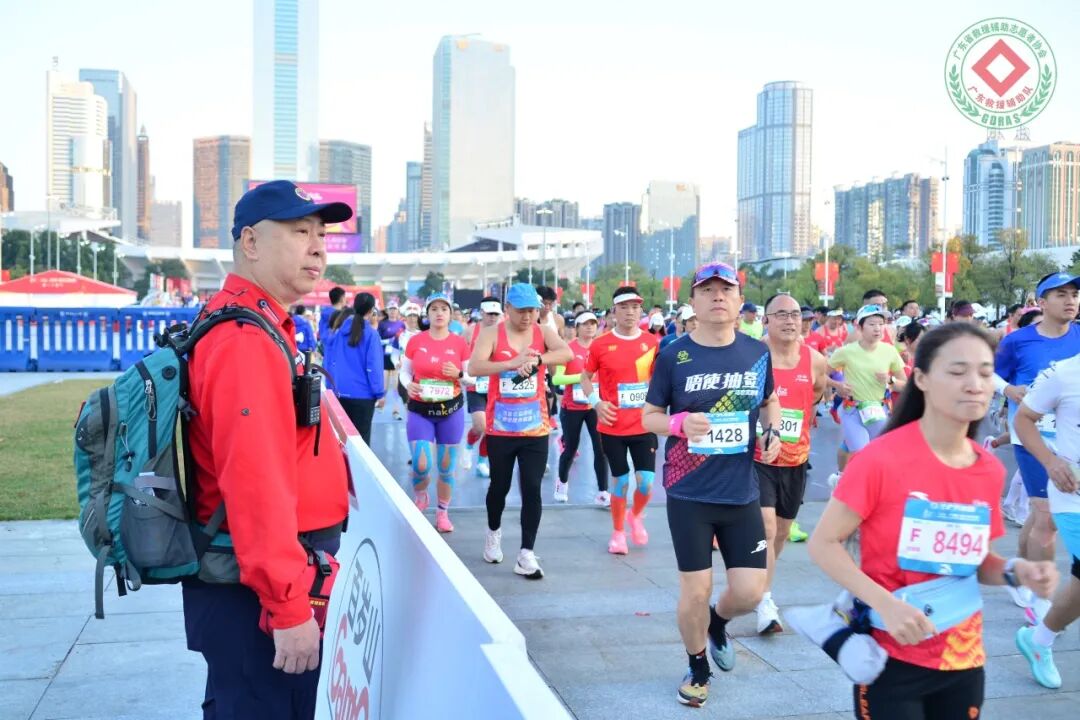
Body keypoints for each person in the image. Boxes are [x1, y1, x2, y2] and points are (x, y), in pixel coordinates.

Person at [808, 323, 1058, 720]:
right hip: (889, 657)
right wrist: (885, 604)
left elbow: (977, 562)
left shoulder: (987, 468)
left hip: (963, 657)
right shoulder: (879, 459)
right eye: (958, 371)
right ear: (921, 378)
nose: (975, 385)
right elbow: (823, 543)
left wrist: (1017, 571)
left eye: (985, 372)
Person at [182, 180, 353, 718]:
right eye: (300, 232)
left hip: (261, 581)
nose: (318, 248)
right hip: (258, 596)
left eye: (322, 234)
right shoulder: (245, 340)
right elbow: (255, 487)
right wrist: (288, 608)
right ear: (251, 243)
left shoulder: (261, 324)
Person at [641, 262, 781, 707]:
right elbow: (649, 417)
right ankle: (697, 664)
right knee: (696, 589)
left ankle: (717, 623)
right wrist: (679, 424)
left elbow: (769, 401)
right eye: (708, 290)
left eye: (726, 290)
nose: (718, 296)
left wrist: (772, 431)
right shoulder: (673, 355)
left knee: (750, 592)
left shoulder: (757, 353)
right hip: (689, 492)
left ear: (739, 301)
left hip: (741, 491)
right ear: (693, 302)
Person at [468, 283, 572, 579]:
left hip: (535, 427)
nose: (528, 317)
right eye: (522, 311)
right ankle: (493, 532)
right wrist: (511, 363)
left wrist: (539, 359)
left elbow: (565, 353)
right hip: (501, 427)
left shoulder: (542, 332)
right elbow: (474, 368)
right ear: (508, 309)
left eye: (532, 311)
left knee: (532, 488)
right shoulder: (492, 333)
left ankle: (526, 553)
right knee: (499, 487)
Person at [994, 272, 1080, 620]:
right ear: (1041, 303)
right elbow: (990, 372)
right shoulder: (1018, 341)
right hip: (1029, 434)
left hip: (1069, 440)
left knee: (1039, 513)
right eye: (1061, 294)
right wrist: (1007, 389)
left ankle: (1019, 571)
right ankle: (1040, 600)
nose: (1071, 301)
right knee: (1046, 514)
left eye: (1074, 294)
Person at [753, 293, 828, 634]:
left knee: (781, 532)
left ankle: (758, 578)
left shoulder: (815, 360)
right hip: (757, 457)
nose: (789, 320)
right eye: (781, 314)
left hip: (796, 457)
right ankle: (764, 601)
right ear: (766, 320)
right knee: (767, 528)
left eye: (795, 314)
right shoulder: (753, 356)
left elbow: (815, 395)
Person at [1014, 349, 1080, 689]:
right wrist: (1051, 462)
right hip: (1073, 494)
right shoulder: (1064, 373)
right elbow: (1024, 419)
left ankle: (1039, 640)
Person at [582, 286, 660, 555]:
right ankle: (617, 533)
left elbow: (658, 379)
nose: (630, 312)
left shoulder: (651, 342)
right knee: (621, 481)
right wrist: (596, 403)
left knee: (646, 482)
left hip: (644, 424)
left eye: (635, 307)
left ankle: (635, 516)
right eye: (624, 307)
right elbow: (584, 377)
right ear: (614, 311)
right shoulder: (601, 344)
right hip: (612, 425)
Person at [401, 293, 471, 534]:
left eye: (444, 309)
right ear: (427, 314)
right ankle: (421, 496)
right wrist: (408, 385)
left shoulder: (459, 343)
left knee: (446, 466)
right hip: (421, 409)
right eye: (434, 309)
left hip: (450, 411)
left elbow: (471, 378)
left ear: (451, 315)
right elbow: (404, 372)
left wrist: (458, 375)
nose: (439, 313)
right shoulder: (415, 341)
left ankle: (442, 513)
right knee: (421, 464)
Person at [828, 304, 907, 459]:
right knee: (860, 451)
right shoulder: (846, 351)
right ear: (860, 327)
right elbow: (820, 375)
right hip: (852, 410)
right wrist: (837, 386)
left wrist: (891, 380)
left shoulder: (889, 351)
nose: (877, 328)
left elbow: (905, 385)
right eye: (872, 324)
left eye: (881, 324)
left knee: (878, 455)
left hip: (879, 410)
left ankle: (844, 472)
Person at [551, 311, 610, 505]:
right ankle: (562, 484)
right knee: (571, 448)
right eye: (585, 324)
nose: (590, 327)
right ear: (577, 328)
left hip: (595, 405)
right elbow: (557, 379)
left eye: (593, 323)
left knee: (600, 449)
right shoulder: (568, 350)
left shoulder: (601, 348)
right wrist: (582, 378)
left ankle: (602, 492)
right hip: (572, 407)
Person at [324, 292, 385, 445]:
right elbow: (374, 367)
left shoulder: (339, 333)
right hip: (363, 396)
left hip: (340, 393)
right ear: (372, 310)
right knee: (361, 444)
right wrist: (379, 392)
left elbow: (330, 362)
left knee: (342, 442)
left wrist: (330, 387)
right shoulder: (371, 334)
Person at [463, 296, 504, 478]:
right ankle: (469, 445)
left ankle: (481, 462)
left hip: (497, 385)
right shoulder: (470, 332)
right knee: (480, 426)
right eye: (489, 314)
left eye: (496, 314)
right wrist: (462, 375)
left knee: (492, 428)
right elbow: (460, 356)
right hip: (476, 385)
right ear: (481, 313)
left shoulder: (505, 332)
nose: (493, 317)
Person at [378, 304, 406, 420]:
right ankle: (381, 404)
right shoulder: (382, 324)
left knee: (395, 387)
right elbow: (377, 340)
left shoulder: (402, 324)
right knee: (384, 385)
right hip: (385, 357)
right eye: (391, 309)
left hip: (396, 358)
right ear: (388, 311)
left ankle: (396, 410)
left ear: (398, 311)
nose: (393, 311)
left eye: (395, 309)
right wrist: (389, 341)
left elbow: (404, 340)